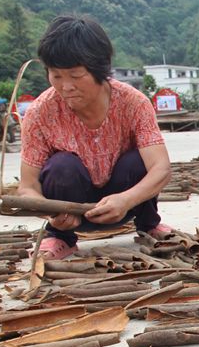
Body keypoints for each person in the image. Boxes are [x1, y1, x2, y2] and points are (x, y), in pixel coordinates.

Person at [17, 15, 173, 260]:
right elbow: (28, 188)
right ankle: (61, 237)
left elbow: (161, 168)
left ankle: (148, 225)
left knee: (138, 161)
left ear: (100, 69)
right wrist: (52, 214)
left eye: (76, 75)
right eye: (56, 76)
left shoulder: (133, 103)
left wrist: (126, 200)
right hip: (70, 214)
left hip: (125, 206)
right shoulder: (39, 113)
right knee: (61, 166)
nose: (66, 86)